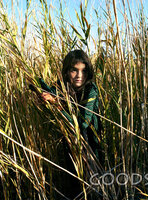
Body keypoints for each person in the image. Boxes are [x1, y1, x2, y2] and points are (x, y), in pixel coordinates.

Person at [32, 49, 103, 198]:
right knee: (74, 180)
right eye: (74, 70)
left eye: (83, 71)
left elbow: (83, 124)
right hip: (69, 141)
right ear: (66, 71)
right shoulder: (62, 86)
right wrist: (42, 95)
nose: (79, 76)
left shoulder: (91, 90)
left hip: (90, 144)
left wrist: (56, 106)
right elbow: (50, 92)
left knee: (93, 184)